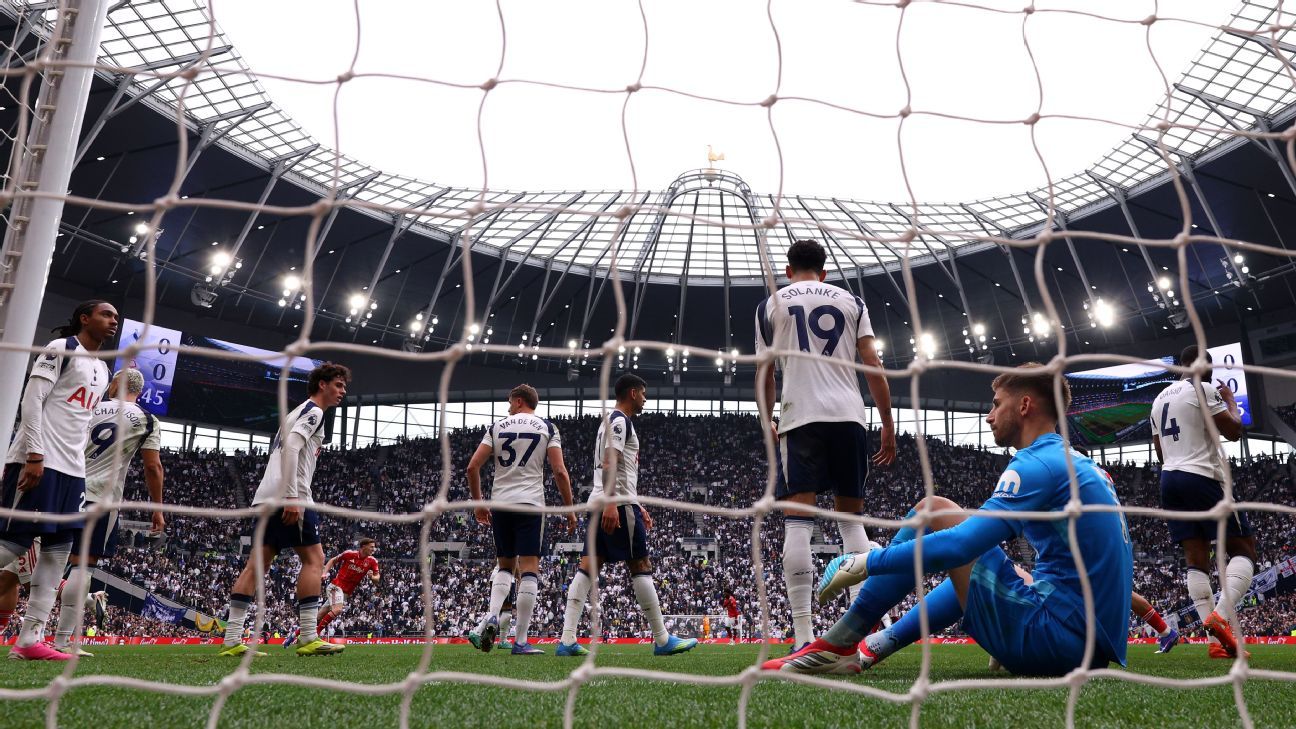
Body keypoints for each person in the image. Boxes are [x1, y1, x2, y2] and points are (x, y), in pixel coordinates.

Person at [764, 364, 1133, 677]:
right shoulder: (1087, 468)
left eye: (996, 404)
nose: (989, 415)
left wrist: (865, 562)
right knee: (1006, 571)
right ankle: (873, 646)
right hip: (1086, 651)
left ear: (1024, 405)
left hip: (1053, 641)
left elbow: (959, 544)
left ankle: (838, 643)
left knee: (934, 510)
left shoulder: (1037, 463)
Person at [754, 239, 895, 651]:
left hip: (800, 417)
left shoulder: (770, 305)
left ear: (787, 270)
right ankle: (858, 633)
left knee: (799, 522)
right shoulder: (852, 301)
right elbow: (873, 364)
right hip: (849, 416)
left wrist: (767, 420)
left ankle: (803, 636)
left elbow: (765, 374)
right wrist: (887, 424)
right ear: (825, 270)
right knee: (852, 523)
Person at [1, 301, 116, 661]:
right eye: (106, 314)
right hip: (39, 462)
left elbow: (80, 421)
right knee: (12, 545)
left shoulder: (102, 368)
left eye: (115, 317)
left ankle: (29, 640)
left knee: (58, 551)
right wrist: (35, 454)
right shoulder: (61, 348)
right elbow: (32, 401)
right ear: (85, 318)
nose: (113, 321)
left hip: (73, 471)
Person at [556, 374, 698, 657]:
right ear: (632, 393)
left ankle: (567, 639)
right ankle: (662, 639)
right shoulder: (621, 421)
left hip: (601, 502)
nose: (645, 398)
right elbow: (610, 463)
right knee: (640, 564)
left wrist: (636, 504)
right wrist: (615, 502)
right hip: (616, 504)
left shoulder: (608, 422)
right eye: (643, 393)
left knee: (587, 568)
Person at [218, 362, 350, 658]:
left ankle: (231, 640)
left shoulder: (295, 412)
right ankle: (308, 636)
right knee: (314, 560)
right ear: (322, 384)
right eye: (338, 385)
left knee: (255, 566)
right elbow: (291, 448)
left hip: (266, 498)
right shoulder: (314, 412)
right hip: (292, 496)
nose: (343, 391)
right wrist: (292, 496)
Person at [1150, 344, 1253, 659]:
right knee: (1244, 549)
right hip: (1202, 477)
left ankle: (1216, 643)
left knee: (1196, 559)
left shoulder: (1158, 399)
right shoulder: (1203, 388)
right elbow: (1234, 431)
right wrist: (1230, 401)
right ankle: (1220, 616)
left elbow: (1160, 452)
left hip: (1169, 480)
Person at [54, 367, 165, 657]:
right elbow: (152, 467)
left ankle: (35, 635)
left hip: (64, 490)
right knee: (83, 565)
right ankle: (63, 641)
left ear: (115, 384)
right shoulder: (146, 419)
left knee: (49, 562)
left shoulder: (90, 406)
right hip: (100, 498)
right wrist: (157, 509)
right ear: (139, 391)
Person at [465, 384, 576, 655]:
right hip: (530, 504)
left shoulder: (496, 427)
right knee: (529, 570)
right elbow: (559, 471)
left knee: (504, 566)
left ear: (518, 401)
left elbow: (472, 467)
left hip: (500, 503)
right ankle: (521, 640)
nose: (508, 407)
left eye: (509, 402)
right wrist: (570, 509)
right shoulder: (547, 427)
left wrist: (479, 504)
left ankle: (492, 616)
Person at [289, 537, 380, 647]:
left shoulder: (372, 561)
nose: (373, 549)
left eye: (374, 547)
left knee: (317, 617)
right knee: (337, 610)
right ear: (363, 546)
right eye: (371, 547)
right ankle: (315, 634)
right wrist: (324, 573)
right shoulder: (349, 554)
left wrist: (372, 577)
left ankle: (292, 636)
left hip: (344, 593)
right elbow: (333, 560)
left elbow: (377, 579)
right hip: (335, 587)